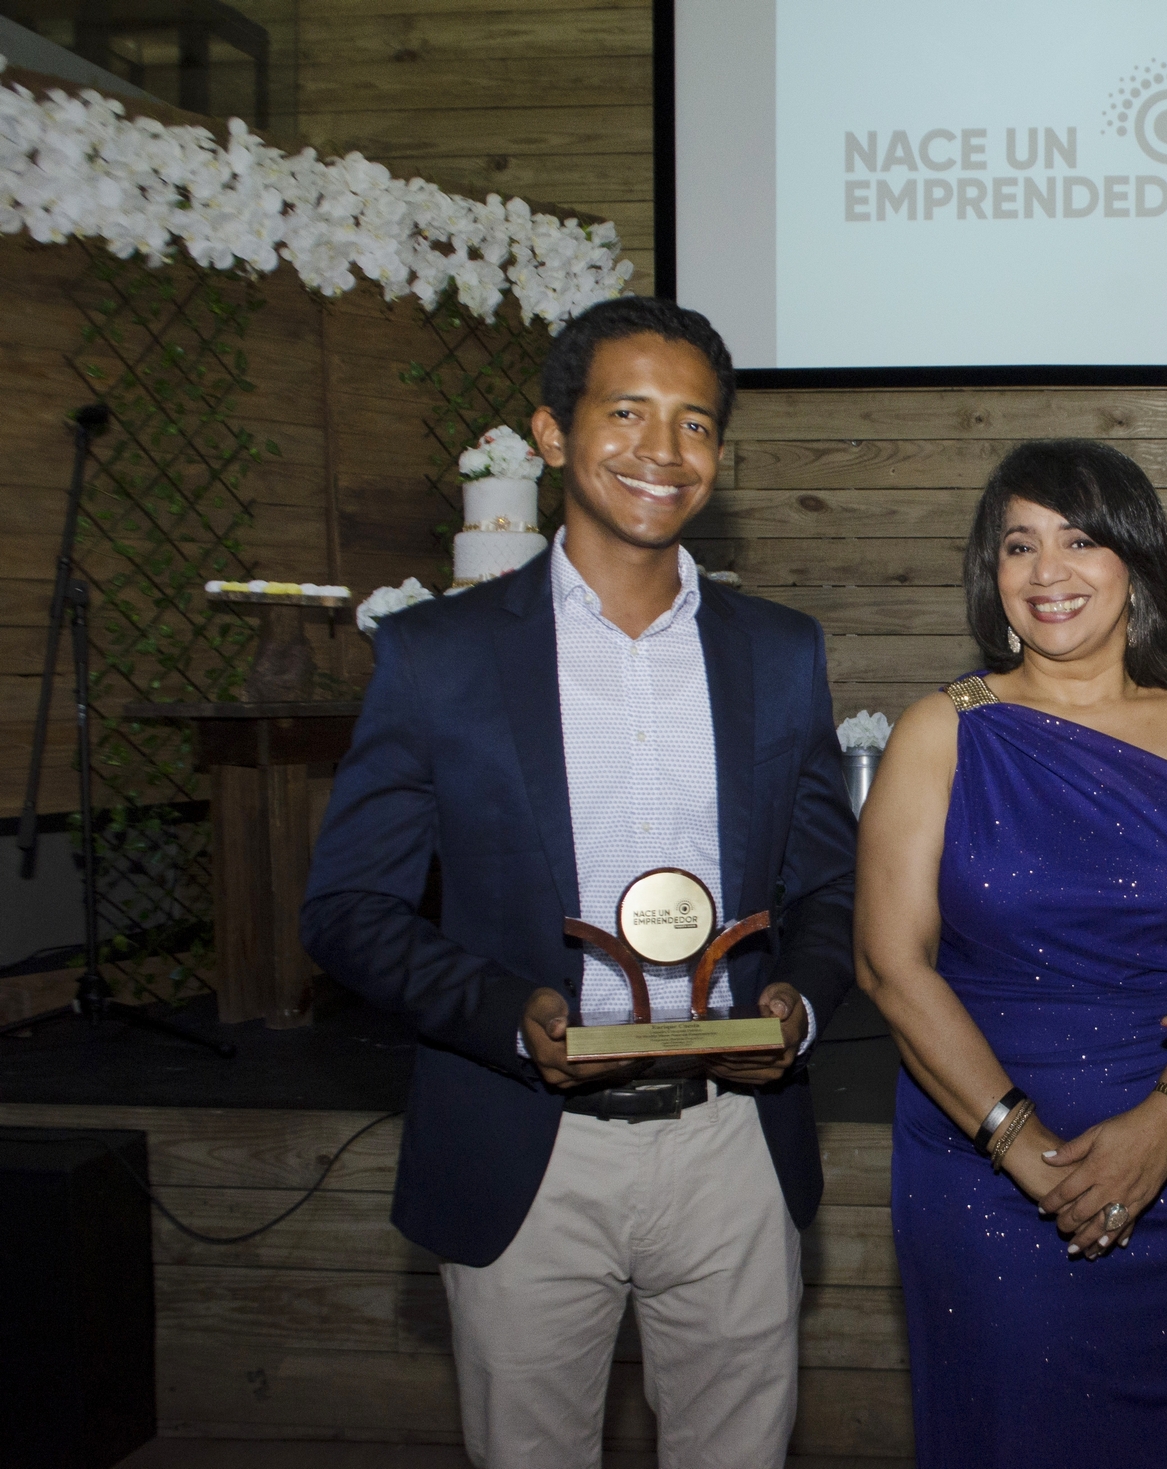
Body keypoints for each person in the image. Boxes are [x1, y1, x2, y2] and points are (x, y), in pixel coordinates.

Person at [301, 295, 855, 1469]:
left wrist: (796, 1007)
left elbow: (827, 888)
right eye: (628, 412)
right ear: (552, 435)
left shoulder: (780, 650)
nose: (664, 451)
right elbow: (348, 908)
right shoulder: (439, 655)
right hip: (524, 1143)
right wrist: (505, 1011)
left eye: (697, 423)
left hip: (732, 1141)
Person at [854, 439, 1167, 1467]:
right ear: (992, 575)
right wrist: (1022, 1147)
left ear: (1134, 560)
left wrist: (1166, 1119)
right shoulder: (943, 728)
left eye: (1080, 538)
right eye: (1019, 544)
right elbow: (888, 963)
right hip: (984, 1167)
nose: (1049, 571)